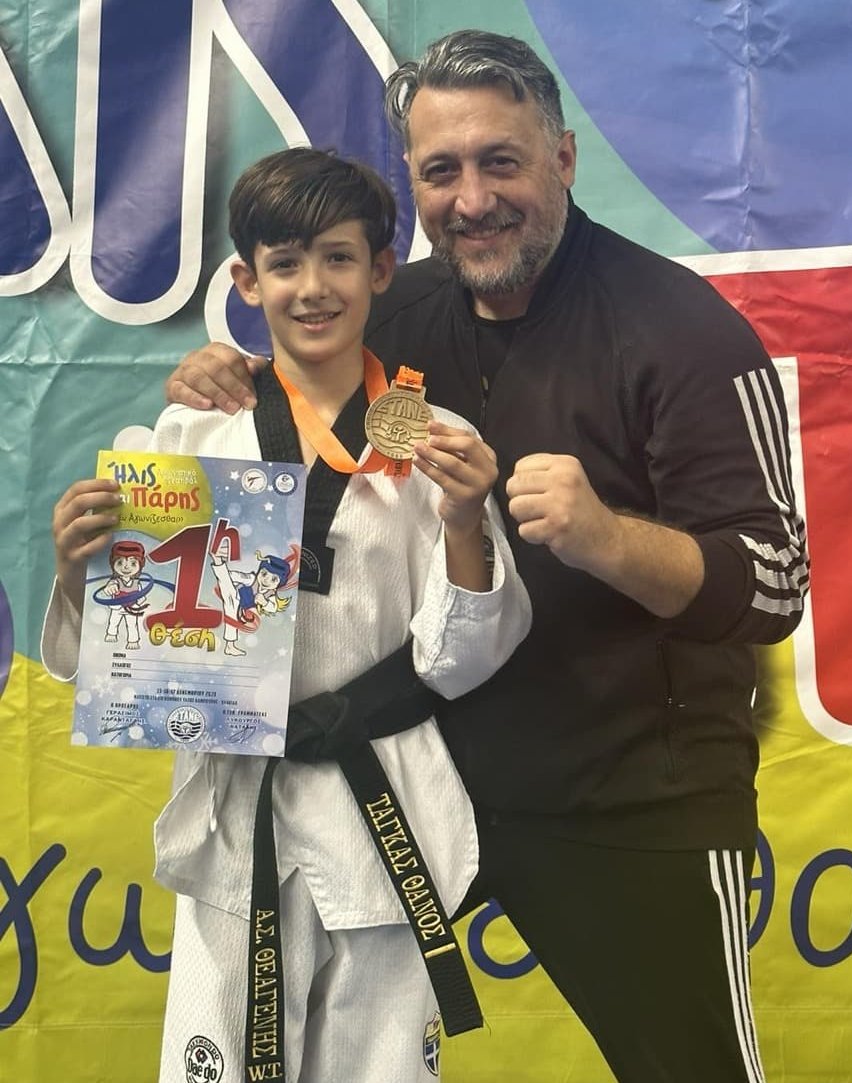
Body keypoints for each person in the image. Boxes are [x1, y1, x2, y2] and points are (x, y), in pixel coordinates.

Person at [165, 30, 809, 1083]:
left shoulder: (680, 332)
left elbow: (773, 584)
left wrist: (605, 538)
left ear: (562, 157)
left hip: (624, 795)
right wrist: (226, 378)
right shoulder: (397, 311)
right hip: (421, 778)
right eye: (440, 171)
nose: (471, 200)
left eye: (499, 162)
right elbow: (303, 392)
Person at [42, 146, 531, 1083]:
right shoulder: (193, 431)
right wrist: (78, 568)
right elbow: (120, 653)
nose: (313, 287)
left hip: (383, 797)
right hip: (238, 806)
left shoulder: (441, 442)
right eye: (285, 263)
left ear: (379, 270)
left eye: (339, 258)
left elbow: (459, 659)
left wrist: (466, 517)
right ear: (246, 280)